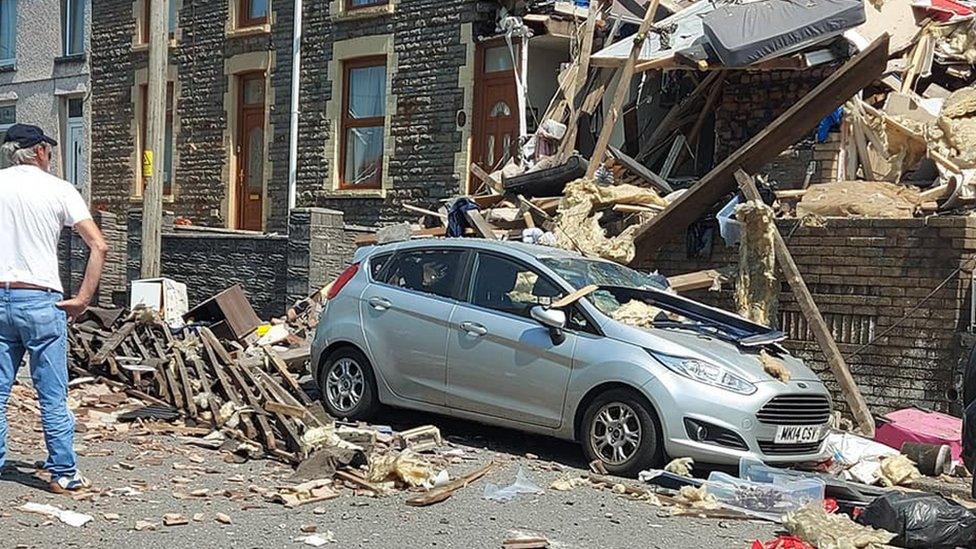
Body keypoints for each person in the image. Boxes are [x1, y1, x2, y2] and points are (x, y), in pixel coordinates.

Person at [0, 124, 107, 493]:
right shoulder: (60, 190)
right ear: (40, 151)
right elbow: (99, 246)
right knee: (51, 393)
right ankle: (63, 472)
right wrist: (82, 299)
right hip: (41, 299)